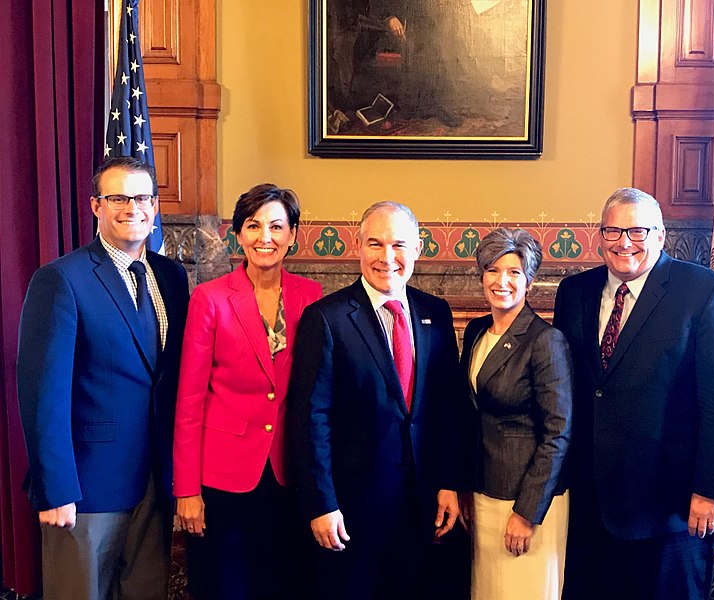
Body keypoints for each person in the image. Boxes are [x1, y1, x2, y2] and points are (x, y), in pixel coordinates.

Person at [553, 188, 714, 600]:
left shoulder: (704, 291)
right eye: (613, 230)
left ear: (660, 235)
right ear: (600, 235)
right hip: (592, 503)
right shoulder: (574, 292)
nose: (624, 242)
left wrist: (712, 488)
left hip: (673, 507)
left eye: (637, 230)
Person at [16, 156, 190, 600]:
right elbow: (43, 395)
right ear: (96, 205)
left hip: (154, 483)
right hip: (85, 491)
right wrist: (55, 489)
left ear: (155, 207)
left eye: (142, 198)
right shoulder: (61, 279)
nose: (132, 208)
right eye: (117, 198)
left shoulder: (170, 277)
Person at [286, 201, 464, 600]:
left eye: (399, 245)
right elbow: (310, 419)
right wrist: (321, 503)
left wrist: (450, 483)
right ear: (358, 246)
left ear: (418, 250)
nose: (387, 257)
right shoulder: (327, 318)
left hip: (422, 505)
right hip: (351, 510)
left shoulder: (435, 312)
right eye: (375, 244)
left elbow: (446, 409)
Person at [172, 184, 323, 600]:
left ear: (293, 234)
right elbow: (189, 400)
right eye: (254, 226)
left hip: (288, 473)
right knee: (226, 587)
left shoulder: (311, 297)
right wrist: (186, 490)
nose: (265, 237)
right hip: (223, 479)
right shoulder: (210, 299)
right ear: (238, 234)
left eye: (277, 226)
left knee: (282, 584)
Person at [460, 228, 572, 600]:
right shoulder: (477, 331)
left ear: (530, 281)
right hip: (483, 496)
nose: (501, 281)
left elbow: (558, 433)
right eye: (492, 270)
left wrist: (527, 514)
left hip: (526, 502)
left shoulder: (545, 340)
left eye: (513, 272)